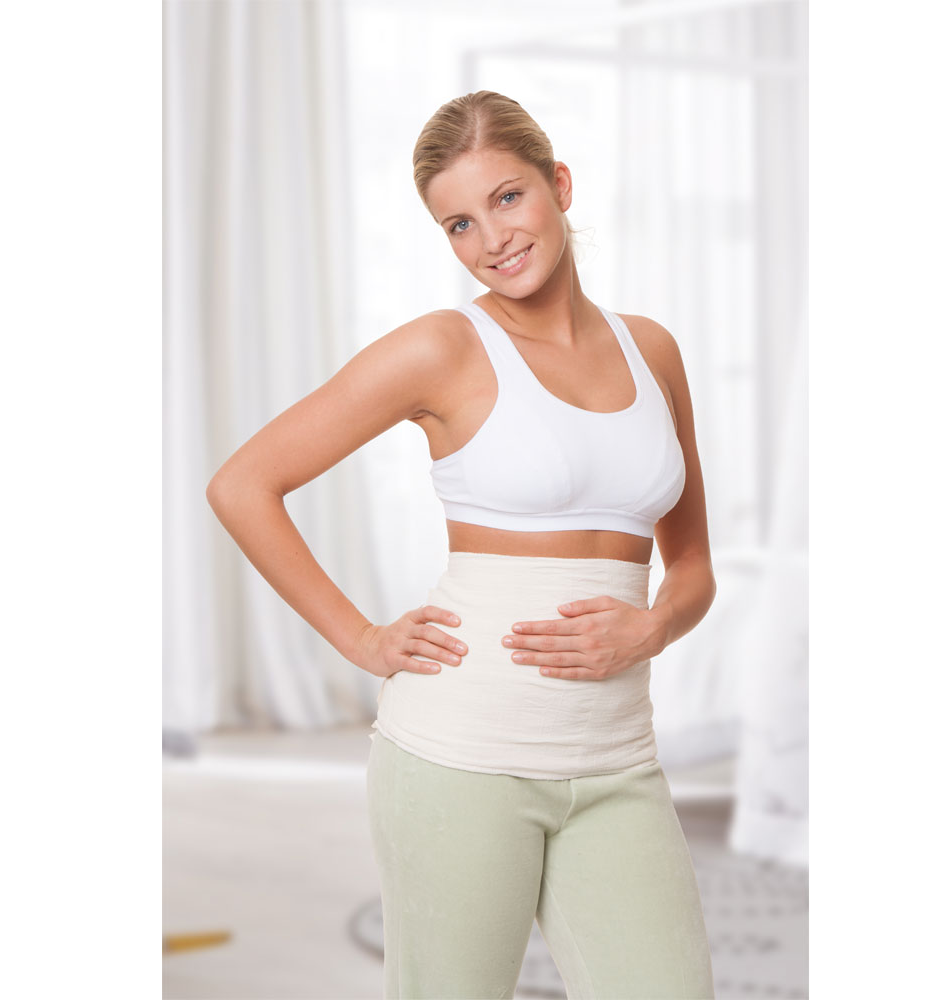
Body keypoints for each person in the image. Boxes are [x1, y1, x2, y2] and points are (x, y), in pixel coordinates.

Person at [207, 90, 716, 1000]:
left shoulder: (653, 351)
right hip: (460, 760)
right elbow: (243, 485)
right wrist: (363, 639)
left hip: (616, 763)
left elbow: (693, 568)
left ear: (560, 186)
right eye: (459, 224)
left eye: (508, 198)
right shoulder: (443, 349)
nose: (492, 239)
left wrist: (652, 627)